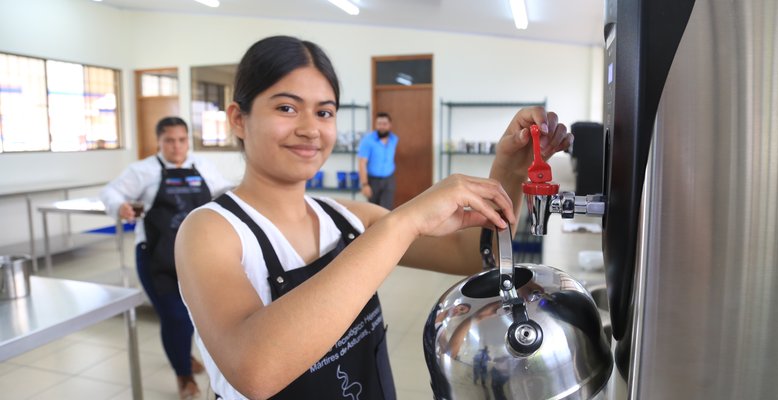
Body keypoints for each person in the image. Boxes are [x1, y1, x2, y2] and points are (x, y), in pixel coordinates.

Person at [174, 35, 572, 400]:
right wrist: (405, 220)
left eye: (325, 112)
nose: (311, 129)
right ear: (238, 119)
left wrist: (511, 169)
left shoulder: (347, 217)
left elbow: (467, 254)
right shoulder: (210, 231)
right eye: (286, 107)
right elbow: (255, 369)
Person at [100, 116, 232, 399]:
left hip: (199, 255)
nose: (176, 147)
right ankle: (184, 377)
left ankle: (183, 356)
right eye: (169, 141)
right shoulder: (143, 170)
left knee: (198, 317)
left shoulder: (203, 167)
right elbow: (110, 192)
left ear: (188, 140)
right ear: (159, 141)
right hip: (156, 257)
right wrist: (119, 205)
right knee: (175, 317)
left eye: (182, 140)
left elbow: (224, 193)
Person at [357, 112, 398, 209]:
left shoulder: (394, 139)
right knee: (374, 209)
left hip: (389, 179)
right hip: (373, 181)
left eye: (384, 124)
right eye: (379, 124)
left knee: (387, 210)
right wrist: (364, 184)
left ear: (389, 125)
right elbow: (362, 163)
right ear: (375, 125)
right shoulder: (367, 141)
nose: (382, 127)